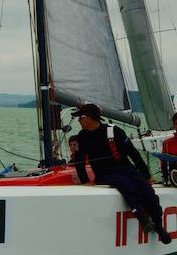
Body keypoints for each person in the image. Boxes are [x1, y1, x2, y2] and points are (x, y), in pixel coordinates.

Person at [72, 103, 171, 244]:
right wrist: (84, 181)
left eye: (79, 118)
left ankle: (159, 227)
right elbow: (79, 161)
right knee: (125, 185)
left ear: (88, 118)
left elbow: (133, 154)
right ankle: (142, 217)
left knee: (148, 192)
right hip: (104, 173)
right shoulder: (82, 137)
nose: (78, 122)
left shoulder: (114, 131)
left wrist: (147, 175)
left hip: (126, 168)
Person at [162, 113, 177, 185]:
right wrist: (165, 179)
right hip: (174, 176)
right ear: (174, 126)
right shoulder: (167, 143)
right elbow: (163, 164)